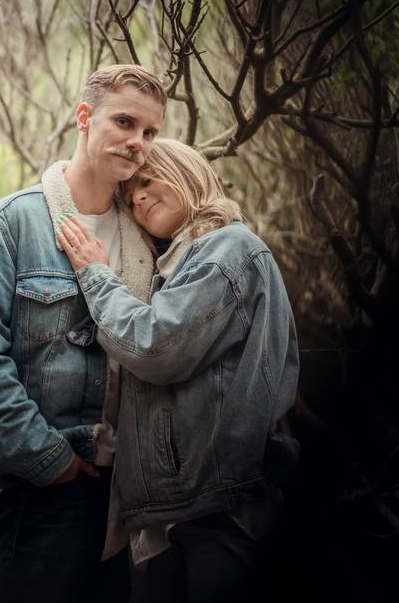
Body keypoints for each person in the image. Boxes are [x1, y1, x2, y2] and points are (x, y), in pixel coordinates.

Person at [0, 65, 166, 603]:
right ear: (84, 117)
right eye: (125, 122)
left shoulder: (150, 231)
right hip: (50, 486)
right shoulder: (7, 226)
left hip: (134, 493)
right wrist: (50, 461)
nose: (138, 142)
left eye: (150, 132)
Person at [57, 138, 300, 602]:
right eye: (131, 198)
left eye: (148, 181)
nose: (140, 198)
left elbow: (155, 346)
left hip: (220, 506)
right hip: (179, 509)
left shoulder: (229, 247)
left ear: (187, 174)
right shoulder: (178, 263)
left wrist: (94, 273)